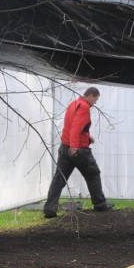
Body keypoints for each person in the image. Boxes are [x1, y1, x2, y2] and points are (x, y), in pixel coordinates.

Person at [43, 87, 115, 218]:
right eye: (96, 99)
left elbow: (70, 126)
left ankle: (49, 209)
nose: (96, 102)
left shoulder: (73, 103)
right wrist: (75, 146)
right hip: (79, 150)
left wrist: (87, 137)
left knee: (59, 179)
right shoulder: (84, 107)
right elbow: (76, 127)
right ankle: (100, 204)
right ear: (92, 95)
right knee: (93, 174)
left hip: (65, 147)